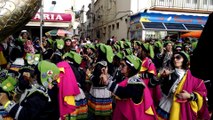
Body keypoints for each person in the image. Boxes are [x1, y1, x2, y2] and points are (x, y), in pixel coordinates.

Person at [150, 51, 210, 120]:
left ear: (185, 60)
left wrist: (190, 96)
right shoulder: (168, 73)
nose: (175, 59)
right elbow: (151, 84)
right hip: (165, 107)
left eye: (178, 57)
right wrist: (159, 76)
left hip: (183, 111)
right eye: (173, 58)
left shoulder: (194, 77)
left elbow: (202, 95)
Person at [100, 55, 157, 120]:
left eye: (123, 65)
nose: (120, 67)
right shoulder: (129, 78)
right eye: (120, 65)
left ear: (130, 68)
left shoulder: (137, 82)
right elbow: (118, 84)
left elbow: (124, 93)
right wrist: (106, 76)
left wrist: (107, 82)